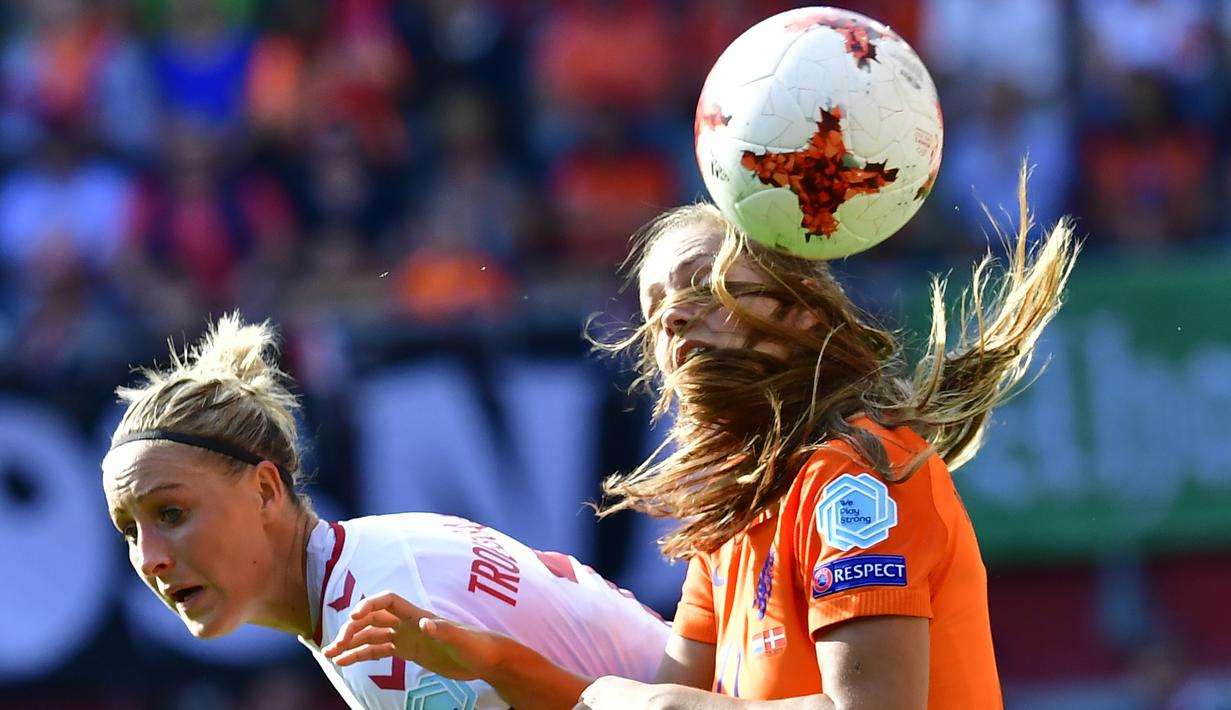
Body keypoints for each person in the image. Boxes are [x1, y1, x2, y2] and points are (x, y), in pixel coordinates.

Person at [324, 171, 1080, 709]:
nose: (673, 319)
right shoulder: (731, 517)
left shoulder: (853, 479)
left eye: (701, 288)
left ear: (801, 312)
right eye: (655, 310)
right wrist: (493, 660)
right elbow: (649, 697)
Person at [100, 314, 669, 710]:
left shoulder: (378, 629)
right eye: (129, 530)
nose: (149, 559)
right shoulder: (369, 566)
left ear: (267, 491)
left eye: (171, 513)